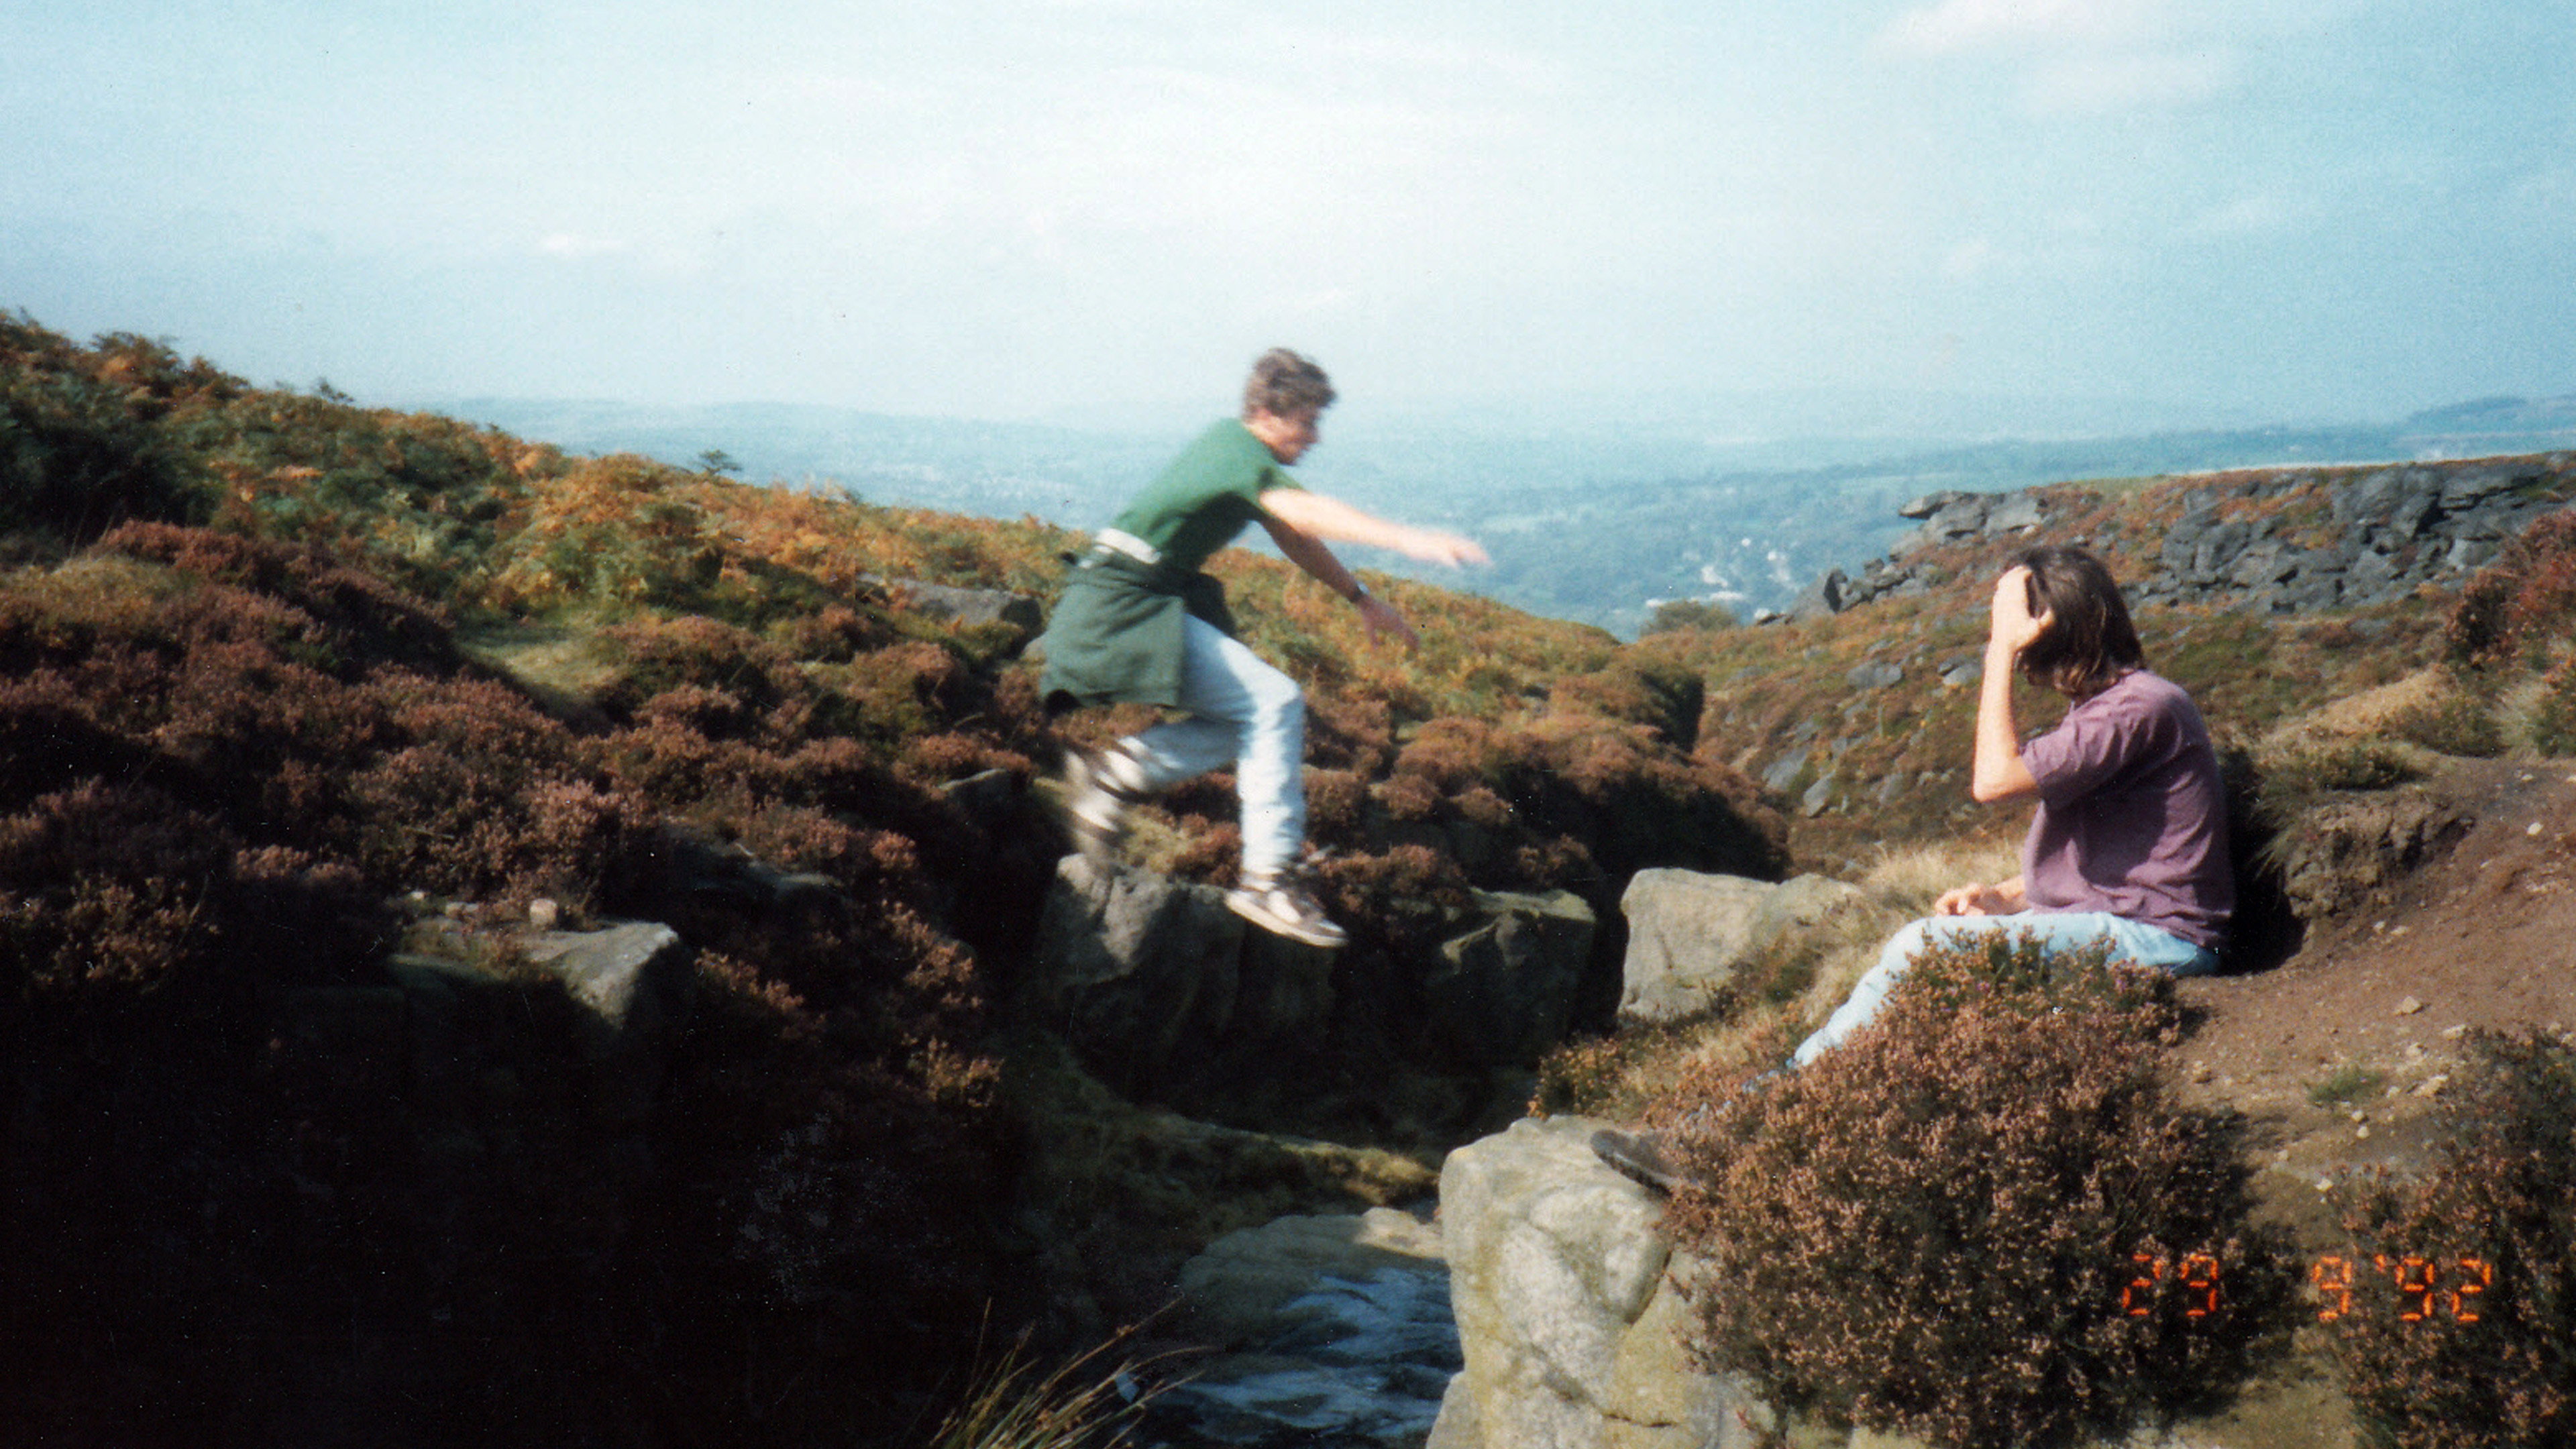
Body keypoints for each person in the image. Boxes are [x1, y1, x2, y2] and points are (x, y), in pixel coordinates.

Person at [1593, 543, 2232, 1191]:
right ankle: (1760, 1133)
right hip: (2125, 922)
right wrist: (2008, 897)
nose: (2013, 648)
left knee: (1924, 947)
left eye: (2012, 624)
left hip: (2159, 938)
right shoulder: (2114, 707)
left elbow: (1993, 780)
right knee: (1921, 971)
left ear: (2048, 628)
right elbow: (2125, 852)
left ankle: (1731, 1136)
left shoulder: (2139, 707)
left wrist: (1997, 654)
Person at [1036, 348, 1487, 948]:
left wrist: (1359, 598)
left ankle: (1113, 775)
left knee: (1250, 717)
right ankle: (1268, 881)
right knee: (1274, 702)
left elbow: (1294, 535)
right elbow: (1305, 512)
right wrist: (1408, 539)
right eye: (1308, 420)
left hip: (1131, 598)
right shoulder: (1239, 452)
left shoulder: (1235, 451)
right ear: (1270, 413)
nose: (1315, 436)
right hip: (1120, 604)